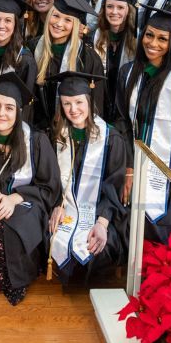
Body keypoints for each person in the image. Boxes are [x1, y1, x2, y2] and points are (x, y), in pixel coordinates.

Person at [0, 73, 60, 305]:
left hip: (28, 201)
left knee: (13, 222)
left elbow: (49, 187)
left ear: (19, 112)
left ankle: (16, 280)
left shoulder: (36, 141)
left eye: (9, 108)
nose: (1, 113)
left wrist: (15, 198)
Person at [118, 6, 171, 243]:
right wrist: (129, 166)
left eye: (163, 38)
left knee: (161, 237)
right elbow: (122, 119)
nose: (153, 43)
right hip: (132, 165)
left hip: (169, 173)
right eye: (149, 35)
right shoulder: (127, 72)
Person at [46, 71, 127, 286]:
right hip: (65, 209)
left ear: (89, 101)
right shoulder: (55, 136)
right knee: (51, 234)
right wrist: (56, 204)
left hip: (101, 212)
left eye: (79, 102)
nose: (73, 110)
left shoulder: (111, 138)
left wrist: (102, 222)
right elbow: (50, 179)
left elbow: (114, 186)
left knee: (102, 245)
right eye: (66, 103)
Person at [32, 0, 104, 128]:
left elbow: (96, 104)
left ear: (75, 25)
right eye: (56, 16)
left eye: (67, 20)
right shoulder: (33, 47)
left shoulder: (88, 58)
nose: (59, 24)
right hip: (39, 130)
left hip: (73, 130)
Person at [93, 0, 139, 122]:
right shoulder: (96, 36)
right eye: (110, 6)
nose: (114, 12)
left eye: (120, 7)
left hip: (126, 106)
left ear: (129, 10)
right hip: (101, 103)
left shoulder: (138, 39)